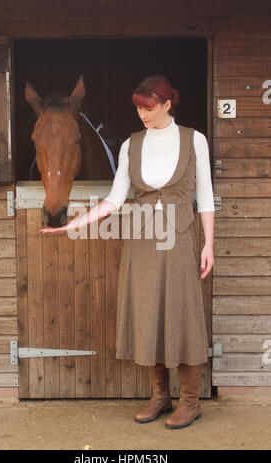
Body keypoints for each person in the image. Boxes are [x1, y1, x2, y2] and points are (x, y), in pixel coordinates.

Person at [40, 75, 215, 430]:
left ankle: (191, 401)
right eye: (138, 107)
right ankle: (160, 396)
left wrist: (208, 243)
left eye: (149, 108)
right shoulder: (131, 146)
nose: (142, 114)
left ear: (168, 104)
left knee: (181, 316)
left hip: (180, 239)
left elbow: (206, 197)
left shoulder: (194, 140)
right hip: (142, 242)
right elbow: (113, 201)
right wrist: (69, 225)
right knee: (149, 315)